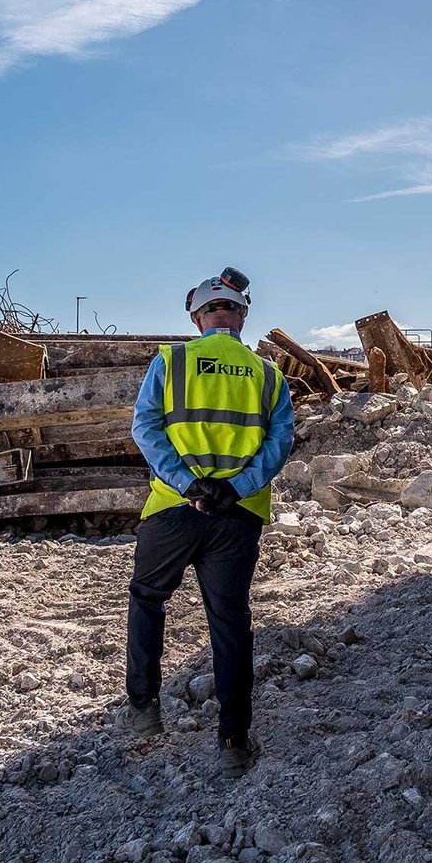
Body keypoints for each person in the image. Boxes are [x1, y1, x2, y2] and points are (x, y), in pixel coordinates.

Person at [122, 268, 294, 776]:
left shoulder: (172, 361)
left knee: (149, 599)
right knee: (230, 620)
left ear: (199, 317)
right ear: (241, 315)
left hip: (173, 510)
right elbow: (279, 444)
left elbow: (145, 427)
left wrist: (187, 483)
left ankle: (143, 711)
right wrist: (233, 489)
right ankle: (234, 741)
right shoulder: (267, 373)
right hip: (236, 516)